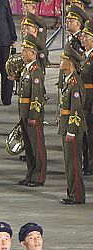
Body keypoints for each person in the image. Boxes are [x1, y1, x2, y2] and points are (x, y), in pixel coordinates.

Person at [16, 34, 47, 187]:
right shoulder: (26, 69)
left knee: (37, 145)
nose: (22, 54)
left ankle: (39, 175)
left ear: (33, 53)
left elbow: (37, 96)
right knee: (28, 146)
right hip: (24, 112)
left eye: (25, 51)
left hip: (31, 113)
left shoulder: (36, 72)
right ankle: (30, 173)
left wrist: (34, 115)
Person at [56, 46, 86, 204]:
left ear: (70, 63)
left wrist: (72, 131)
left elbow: (76, 110)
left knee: (74, 162)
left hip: (72, 128)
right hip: (66, 126)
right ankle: (72, 193)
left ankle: (77, 195)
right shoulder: (68, 80)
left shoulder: (75, 83)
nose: (61, 62)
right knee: (69, 163)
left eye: (63, 60)